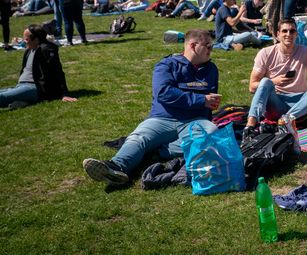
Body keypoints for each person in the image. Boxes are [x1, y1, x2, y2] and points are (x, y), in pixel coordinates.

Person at [83, 29, 221, 186]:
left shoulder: (211, 69)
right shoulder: (167, 64)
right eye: (208, 46)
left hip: (194, 120)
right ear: (193, 45)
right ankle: (115, 167)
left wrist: (210, 105)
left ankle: (156, 151)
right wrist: (200, 100)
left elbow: (209, 99)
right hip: (163, 118)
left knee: (211, 134)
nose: (211, 50)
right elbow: (163, 93)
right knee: (139, 137)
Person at [243, 18, 307, 138]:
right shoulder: (265, 53)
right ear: (278, 34)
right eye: (284, 31)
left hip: (299, 102)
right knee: (265, 81)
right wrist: (274, 82)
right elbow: (252, 86)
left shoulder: (306, 51)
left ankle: (284, 122)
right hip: (276, 102)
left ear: (296, 34)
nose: (288, 34)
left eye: (292, 31)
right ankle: (250, 126)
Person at [0, 24, 77, 108]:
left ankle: (25, 100)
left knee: (2, 97)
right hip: (21, 85)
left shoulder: (46, 50)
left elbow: (57, 71)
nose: (23, 41)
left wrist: (64, 94)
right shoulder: (29, 50)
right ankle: (23, 101)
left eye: (26, 39)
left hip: (34, 87)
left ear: (36, 39)